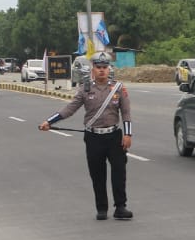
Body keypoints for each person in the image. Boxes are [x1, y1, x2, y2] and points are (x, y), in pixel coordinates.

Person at [38, 52, 133, 220]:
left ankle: (120, 207)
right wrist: (49, 121)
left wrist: (128, 135)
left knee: (119, 172)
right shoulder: (85, 89)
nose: (102, 70)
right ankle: (101, 209)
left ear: (109, 69)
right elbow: (70, 109)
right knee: (97, 174)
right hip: (93, 137)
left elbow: (126, 113)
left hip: (114, 137)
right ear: (93, 69)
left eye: (105, 67)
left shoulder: (118, 88)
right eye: (99, 67)